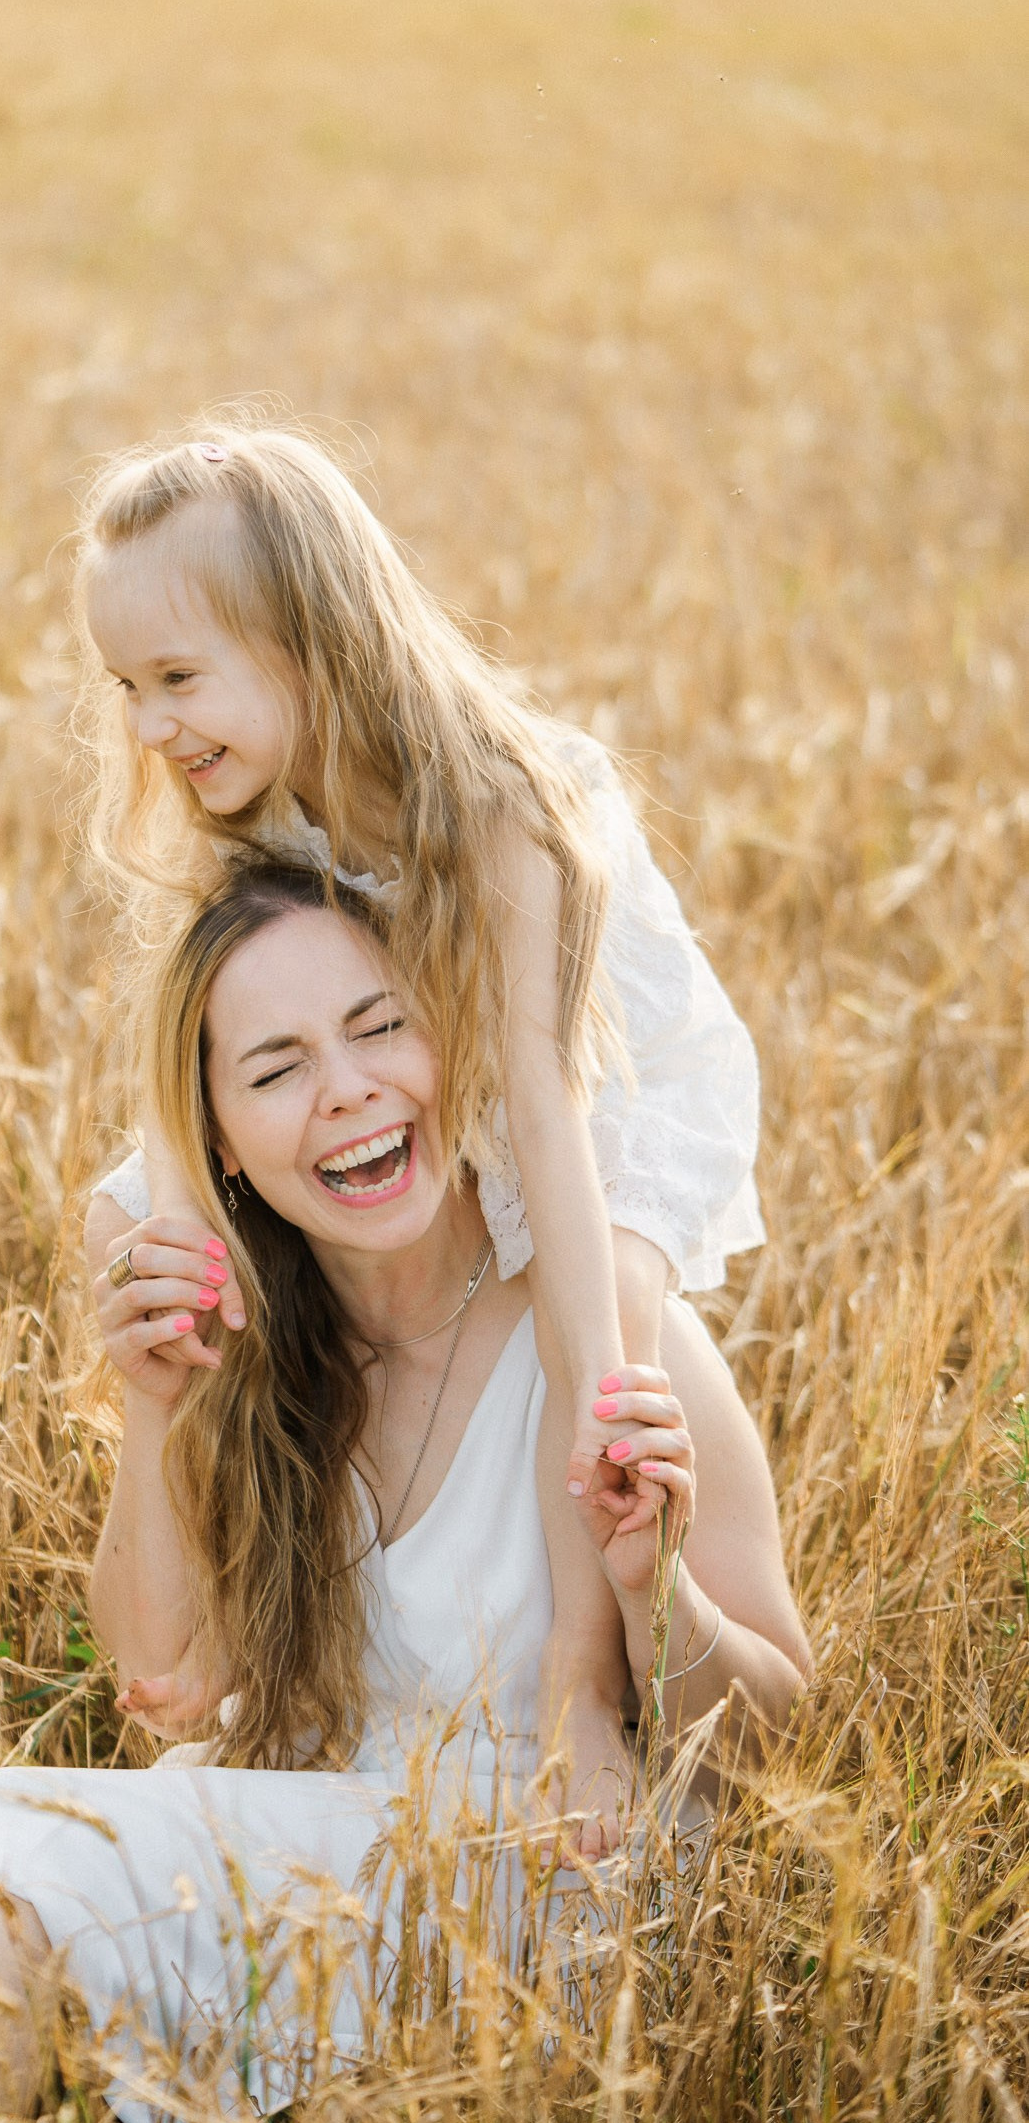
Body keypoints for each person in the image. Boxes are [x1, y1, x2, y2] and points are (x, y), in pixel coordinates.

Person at [0, 861, 807, 2123]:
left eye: (381, 1027)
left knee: (11, 1857)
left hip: (556, 1886)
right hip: (329, 1850)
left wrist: (660, 1589)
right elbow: (159, 1672)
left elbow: (780, 1743)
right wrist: (153, 1409)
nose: (350, 1090)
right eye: (276, 1069)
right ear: (220, 1145)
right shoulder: (260, 1358)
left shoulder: (611, 1342)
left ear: (450, 1041)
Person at [74, 419, 766, 1834]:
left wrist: (593, 1328)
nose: (147, 727)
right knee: (127, 1220)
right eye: (127, 687)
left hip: (587, 1084)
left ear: (302, 640)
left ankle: (575, 1678)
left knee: (606, 1325)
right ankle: (251, 1609)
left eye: (176, 679)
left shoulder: (498, 804)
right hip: (403, 1053)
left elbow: (545, 1111)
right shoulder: (265, 810)